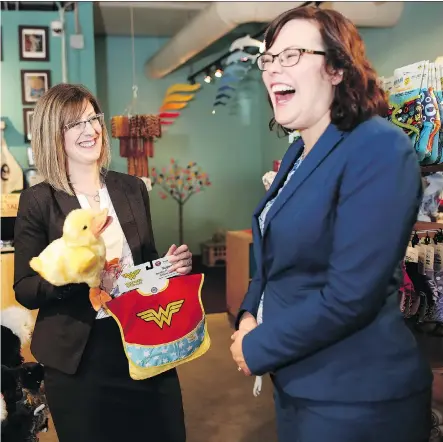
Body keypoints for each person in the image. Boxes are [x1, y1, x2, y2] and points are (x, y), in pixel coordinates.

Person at [230, 6, 433, 442]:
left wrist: (257, 347)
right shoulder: (296, 154)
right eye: (268, 58)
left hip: (357, 399)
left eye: (292, 55)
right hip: (301, 382)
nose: (272, 68)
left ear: (338, 68)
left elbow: (351, 295)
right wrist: (249, 314)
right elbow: (273, 257)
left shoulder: (378, 147)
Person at [13, 83, 193, 442]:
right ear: (54, 134)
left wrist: (169, 267)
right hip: (79, 358)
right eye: (75, 124)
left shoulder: (131, 188)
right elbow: (26, 288)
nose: (90, 129)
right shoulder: (38, 200)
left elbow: (145, 260)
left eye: (93, 118)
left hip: (143, 339)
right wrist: (89, 282)